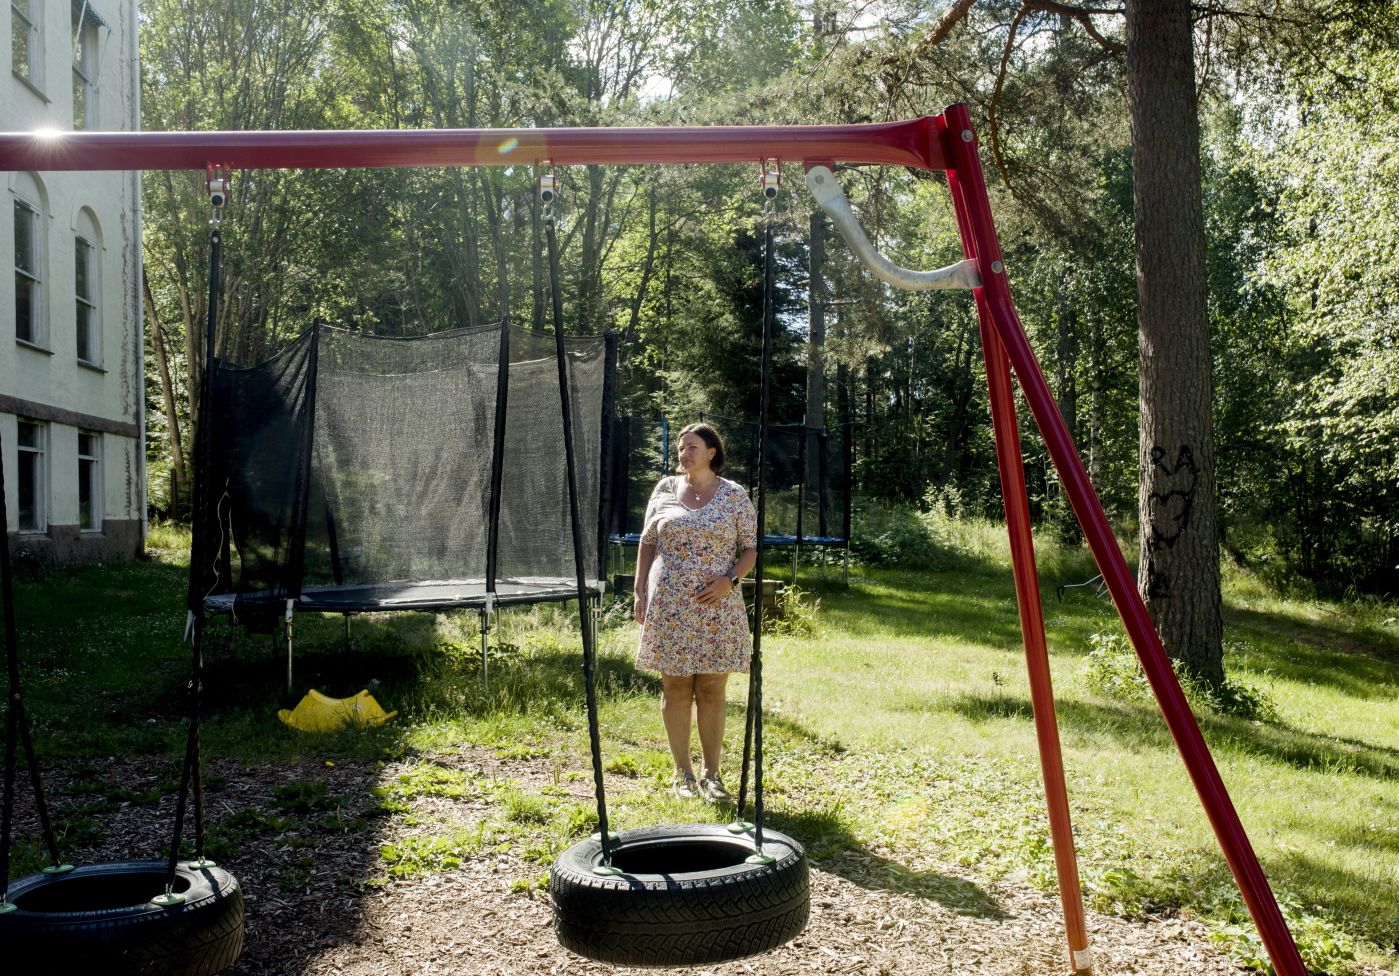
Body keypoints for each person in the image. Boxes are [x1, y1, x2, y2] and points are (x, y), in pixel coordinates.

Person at [634, 422, 758, 802]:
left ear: (711, 453)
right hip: (670, 605)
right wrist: (639, 590)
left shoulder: (734, 495)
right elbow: (648, 542)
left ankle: (712, 774)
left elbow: (751, 549)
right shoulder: (664, 490)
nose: (683, 454)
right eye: (680, 448)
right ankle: (683, 774)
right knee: (675, 686)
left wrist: (729, 580)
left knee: (711, 688)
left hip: (717, 606)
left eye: (691, 447)